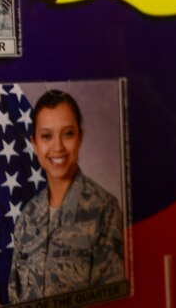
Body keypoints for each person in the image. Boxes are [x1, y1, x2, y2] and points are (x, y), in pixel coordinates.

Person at [9, 90, 125, 302]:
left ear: (80, 138)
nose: (58, 147)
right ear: (35, 144)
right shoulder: (27, 217)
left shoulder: (104, 209)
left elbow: (112, 300)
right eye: (46, 136)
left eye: (68, 134)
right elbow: (15, 296)